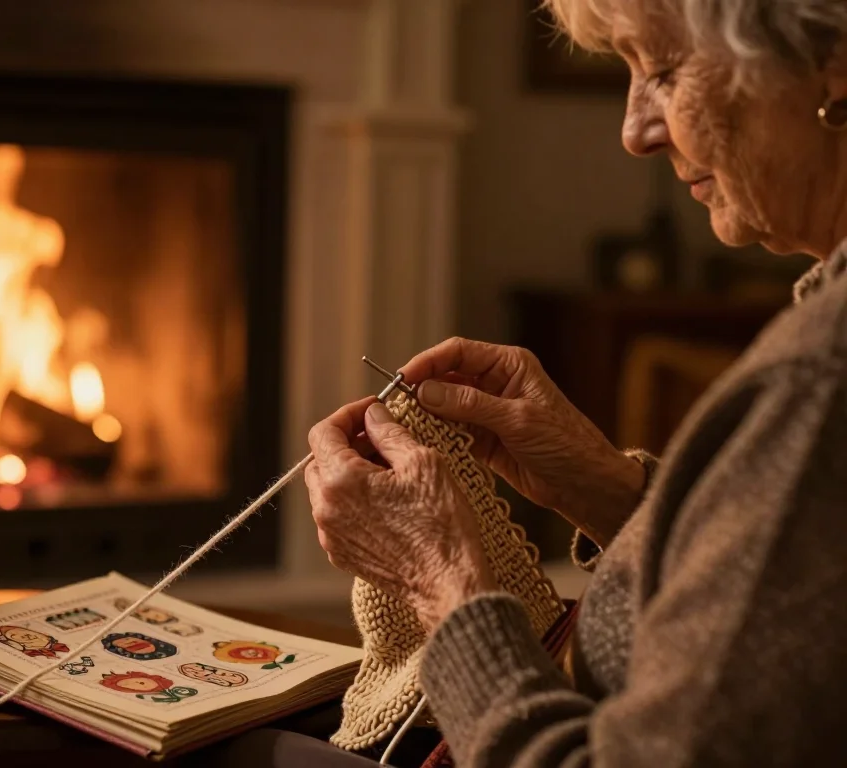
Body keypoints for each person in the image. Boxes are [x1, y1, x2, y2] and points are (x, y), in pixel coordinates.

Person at [297, 1, 847, 766]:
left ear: (834, 67)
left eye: (663, 71)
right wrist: (605, 489)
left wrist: (440, 580)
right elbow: (786, 586)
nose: (635, 131)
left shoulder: (819, 380)